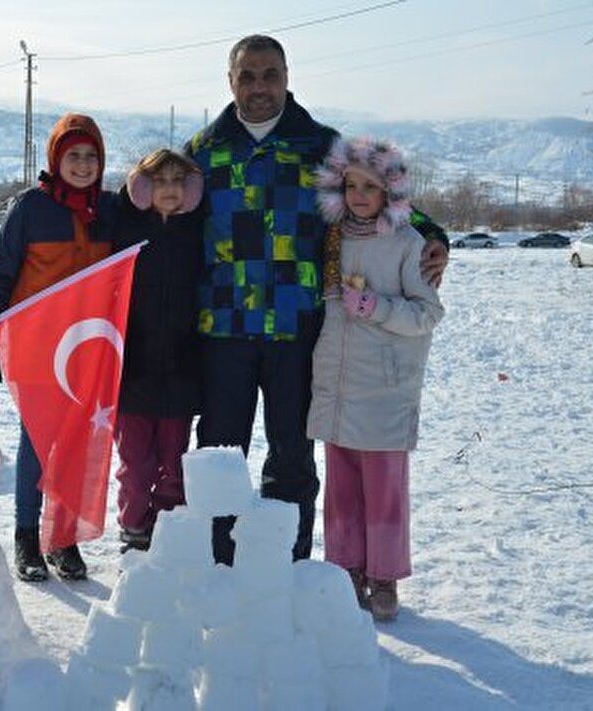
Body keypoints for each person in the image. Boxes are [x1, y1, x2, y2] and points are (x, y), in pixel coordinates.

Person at [185, 35, 449, 564]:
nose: (260, 86)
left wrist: (432, 232)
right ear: (230, 80)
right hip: (224, 326)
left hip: (298, 326)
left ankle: (288, 564)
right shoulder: (203, 151)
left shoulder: (323, 146)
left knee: (292, 454)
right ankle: (214, 561)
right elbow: (161, 212)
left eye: (270, 74)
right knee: (220, 452)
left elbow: (381, 195)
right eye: (248, 75)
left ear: (287, 76)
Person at [307, 136, 444, 621]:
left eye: (371, 185)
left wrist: (377, 307)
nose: (360, 194)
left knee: (384, 489)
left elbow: (428, 313)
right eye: (351, 185)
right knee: (342, 488)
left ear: (391, 191)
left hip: (385, 389)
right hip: (338, 385)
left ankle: (384, 576)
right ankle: (346, 570)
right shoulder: (330, 238)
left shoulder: (408, 244)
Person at [0, 113, 115, 581]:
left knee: (78, 446)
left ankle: (62, 539)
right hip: (37, 349)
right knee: (39, 444)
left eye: (91, 157)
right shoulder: (29, 209)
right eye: (73, 156)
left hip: (89, 350)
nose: (82, 165)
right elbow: (0, 274)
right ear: (55, 159)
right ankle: (26, 535)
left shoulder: (111, 210)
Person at [110, 149, 204, 552]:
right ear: (144, 186)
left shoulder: (198, 230)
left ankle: (166, 531)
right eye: (160, 180)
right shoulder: (126, 227)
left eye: (178, 181)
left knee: (174, 461)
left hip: (182, 368)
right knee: (135, 464)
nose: (169, 189)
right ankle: (133, 528)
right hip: (133, 369)